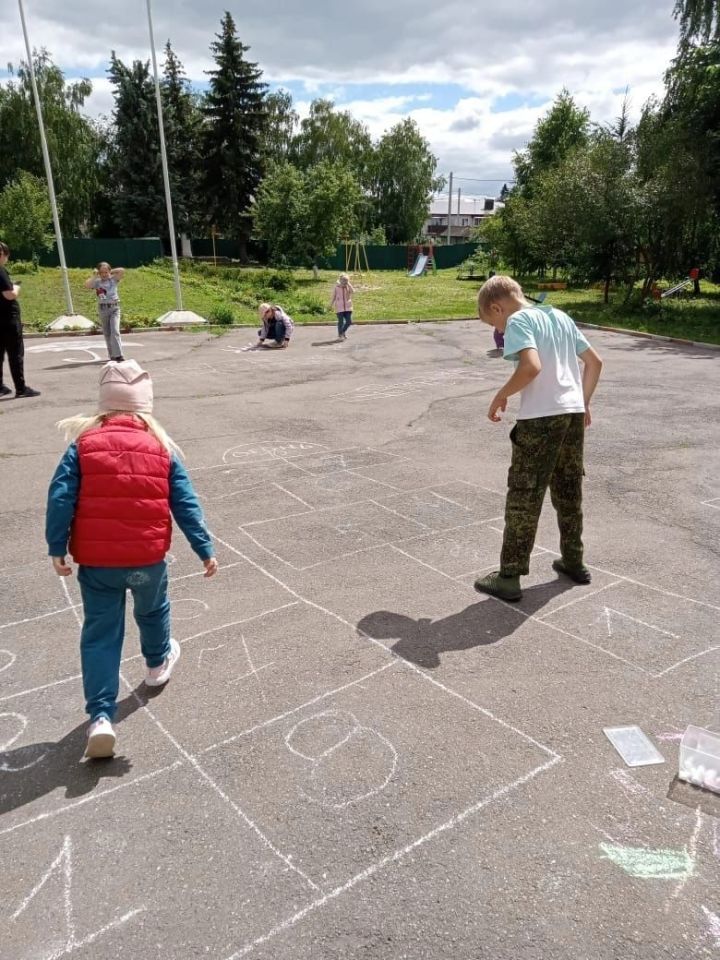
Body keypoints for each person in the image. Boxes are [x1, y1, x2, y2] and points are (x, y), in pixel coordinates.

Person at [45, 360, 218, 759]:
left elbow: (59, 499)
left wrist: (57, 548)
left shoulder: (82, 445)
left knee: (101, 634)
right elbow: (186, 504)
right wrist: (204, 548)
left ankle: (101, 717)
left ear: (103, 407)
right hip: (146, 559)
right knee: (153, 611)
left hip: (97, 563)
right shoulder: (161, 447)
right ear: (145, 407)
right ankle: (157, 666)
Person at [474, 275, 603, 602]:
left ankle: (509, 576)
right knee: (568, 488)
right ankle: (574, 560)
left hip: (540, 419)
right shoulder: (559, 316)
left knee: (524, 494)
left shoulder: (518, 320)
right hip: (571, 413)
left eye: (495, 324)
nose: (500, 333)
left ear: (497, 307)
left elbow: (530, 367)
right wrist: (583, 402)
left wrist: (501, 395)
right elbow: (594, 362)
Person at [0, 241, 40, 398]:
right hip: (8, 319)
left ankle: (0, 386)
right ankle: (21, 388)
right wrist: (16, 287)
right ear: (4, 255)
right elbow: (9, 294)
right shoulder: (1, 271)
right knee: (15, 354)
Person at [85, 262, 125, 361]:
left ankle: (119, 355)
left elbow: (122, 270)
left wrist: (111, 271)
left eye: (106, 272)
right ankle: (112, 355)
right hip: (103, 309)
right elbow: (87, 285)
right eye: (102, 272)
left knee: (115, 331)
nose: (104, 274)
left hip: (114, 308)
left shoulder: (113, 279)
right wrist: (95, 276)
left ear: (109, 272)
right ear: (99, 273)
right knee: (107, 333)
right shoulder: (97, 282)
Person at [329, 273, 354, 340]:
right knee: (341, 322)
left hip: (348, 307)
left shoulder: (348, 287)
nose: (345, 282)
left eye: (346, 281)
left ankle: (342, 332)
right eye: (343, 281)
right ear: (340, 280)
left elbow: (353, 291)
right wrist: (330, 305)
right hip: (339, 307)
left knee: (349, 321)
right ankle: (341, 335)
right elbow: (333, 297)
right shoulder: (336, 287)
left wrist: (348, 284)